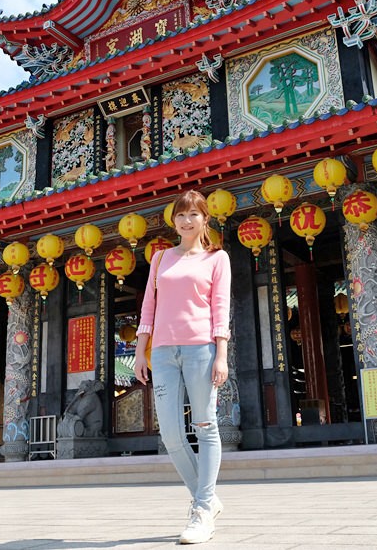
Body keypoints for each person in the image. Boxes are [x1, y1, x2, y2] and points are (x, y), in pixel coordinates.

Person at [134, 189, 231, 545]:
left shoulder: (217, 259)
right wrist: (140, 350)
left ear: (205, 219)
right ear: (173, 220)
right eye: (180, 215)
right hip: (162, 353)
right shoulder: (160, 259)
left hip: (201, 350)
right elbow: (149, 308)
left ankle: (202, 509)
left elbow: (220, 308)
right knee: (171, 435)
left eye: (193, 214)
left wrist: (221, 354)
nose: (186, 221)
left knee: (205, 427)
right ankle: (207, 499)